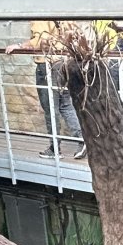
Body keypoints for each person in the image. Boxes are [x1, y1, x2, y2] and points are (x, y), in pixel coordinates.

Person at [5, 20, 85, 159]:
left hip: (48, 66)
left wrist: (19, 46)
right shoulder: (63, 17)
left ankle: (55, 148)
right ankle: (82, 139)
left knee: (50, 108)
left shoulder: (41, 17)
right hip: (64, 63)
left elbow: (40, 41)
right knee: (65, 105)